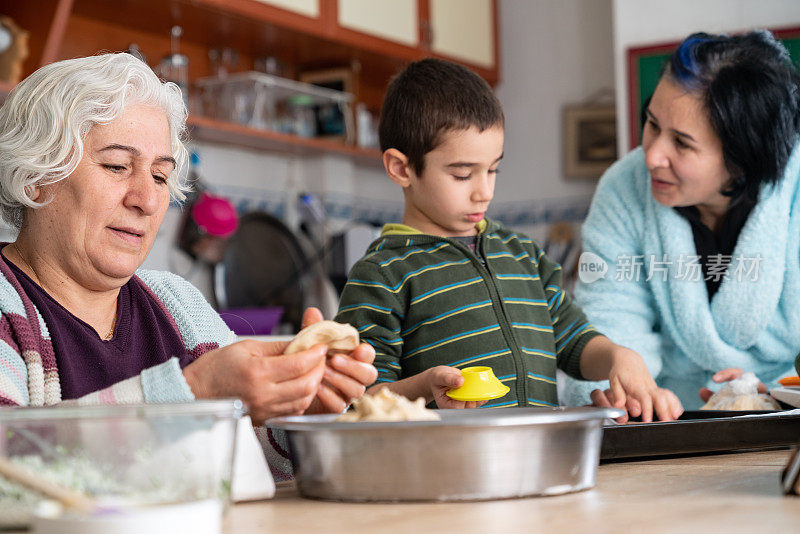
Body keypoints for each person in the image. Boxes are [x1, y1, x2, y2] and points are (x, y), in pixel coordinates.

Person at [0, 53, 377, 478]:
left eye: (160, 177)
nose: (145, 200)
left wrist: (299, 415)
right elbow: (10, 472)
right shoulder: (7, 309)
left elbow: (252, 464)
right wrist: (192, 395)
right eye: (117, 166)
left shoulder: (175, 303)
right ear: (35, 173)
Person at [334, 58, 682, 422]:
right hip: (443, 469)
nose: (483, 192)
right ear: (402, 168)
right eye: (462, 174)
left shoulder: (524, 256)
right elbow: (362, 401)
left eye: (493, 169)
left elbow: (574, 342)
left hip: (542, 460)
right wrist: (424, 386)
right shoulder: (381, 275)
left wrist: (618, 357)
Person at [561, 30, 800, 410]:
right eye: (653, 124)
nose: (652, 155)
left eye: (682, 143)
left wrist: (777, 391)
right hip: (669, 419)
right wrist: (621, 394)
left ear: (741, 159)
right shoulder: (624, 187)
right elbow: (609, 324)